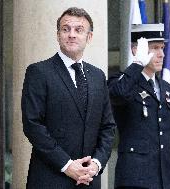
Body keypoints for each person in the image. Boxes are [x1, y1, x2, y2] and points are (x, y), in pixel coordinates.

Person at [21, 7, 116, 189]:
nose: (71, 34)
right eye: (66, 29)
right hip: (50, 179)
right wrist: (67, 165)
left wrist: (96, 164)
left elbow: (108, 126)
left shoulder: (97, 76)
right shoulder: (39, 72)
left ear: (89, 37)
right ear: (58, 35)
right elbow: (33, 125)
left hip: (88, 181)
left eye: (78, 30)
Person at [108, 24, 170, 189]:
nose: (161, 54)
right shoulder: (122, 81)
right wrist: (138, 64)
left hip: (164, 179)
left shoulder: (167, 88)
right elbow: (118, 95)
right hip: (135, 179)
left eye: (162, 48)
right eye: (154, 48)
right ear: (136, 50)